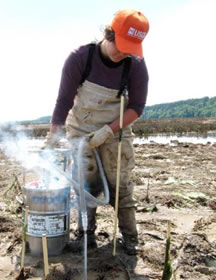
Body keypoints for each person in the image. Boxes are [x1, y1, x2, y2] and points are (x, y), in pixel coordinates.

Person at [45, 9, 149, 255]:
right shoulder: (80, 58)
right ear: (109, 33)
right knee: (85, 184)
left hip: (116, 130)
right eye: (121, 46)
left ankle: (130, 238)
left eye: (130, 49)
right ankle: (86, 235)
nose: (124, 53)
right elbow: (63, 102)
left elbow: (137, 107)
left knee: (120, 184)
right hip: (81, 128)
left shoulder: (135, 66)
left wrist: (108, 131)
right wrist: (53, 137)